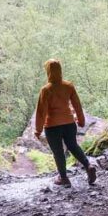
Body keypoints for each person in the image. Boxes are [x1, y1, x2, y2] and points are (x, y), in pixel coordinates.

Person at [34, 58, 96, 187]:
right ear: (60, 70)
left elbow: (41, 112)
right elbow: (77, 105)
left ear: (48, 71)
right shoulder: (68, 86)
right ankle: (88, 165)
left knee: (58, 152)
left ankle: (63, 178)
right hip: (69, 123)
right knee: (73, 146)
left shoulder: (46, 90)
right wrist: (81, 120)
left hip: (52, 126)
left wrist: (38, 129)